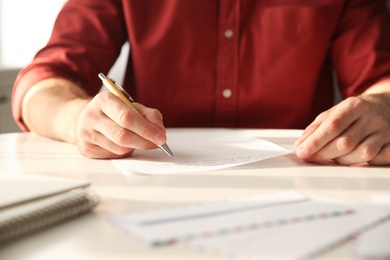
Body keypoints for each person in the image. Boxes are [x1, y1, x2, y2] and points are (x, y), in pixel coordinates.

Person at [11, 0, 390, 165]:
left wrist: (382, 107)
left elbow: (380, 78)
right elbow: (42, 81)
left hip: (300, 183)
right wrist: (77, 119)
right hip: (149, 187)